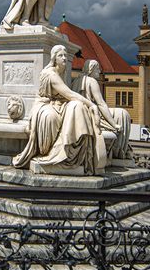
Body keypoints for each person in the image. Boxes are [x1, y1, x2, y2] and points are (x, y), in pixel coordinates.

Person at [13, 45, 106, 175]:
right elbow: (70, 94)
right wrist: (92, 105)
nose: (64, 58)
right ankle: (58, 153)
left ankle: (71, 152)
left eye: (65, 55)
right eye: (60, 56)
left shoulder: (63, 72)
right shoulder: (50, 74)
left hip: (58, 104)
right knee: (53, 116)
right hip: (44, 105)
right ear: (54, 58)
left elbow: (68, 95)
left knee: (77, 107)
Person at [72, 59, 132, 161]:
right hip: (92, 113)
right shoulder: (92, 81)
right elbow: (101, 104)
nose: (99, 71)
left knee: (121, 114)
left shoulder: (76, 81)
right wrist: (114, 124)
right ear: (91, 70)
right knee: (123, 114)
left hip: (81, 113)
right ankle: (118, 152)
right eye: (97, 69)